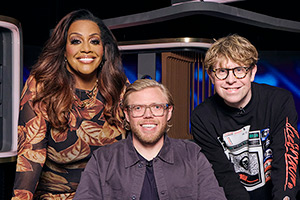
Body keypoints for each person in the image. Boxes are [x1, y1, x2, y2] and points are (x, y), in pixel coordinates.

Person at [12, 9, 128, 199]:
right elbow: (30, 160)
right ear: (63, 50)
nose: (86, 49)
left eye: (94, 41)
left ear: (103, 49)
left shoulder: (119, 87)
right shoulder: (42, 87)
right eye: (76, 41)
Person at [74, 79, 226, 200]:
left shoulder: (192, 156)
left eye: (157, 107)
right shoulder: (103, 160)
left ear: (168, 112)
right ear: (127, 114)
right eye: (138, 108)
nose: (148, 115)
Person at [191, 34, 299, 200]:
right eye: (221, 71)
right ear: (211, 76)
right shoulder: (202, 117)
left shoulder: (279, 101)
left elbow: (286, 157)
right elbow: (223, 175)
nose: (231, 80)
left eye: (239, 70)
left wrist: (285, 197)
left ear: (252, 72)